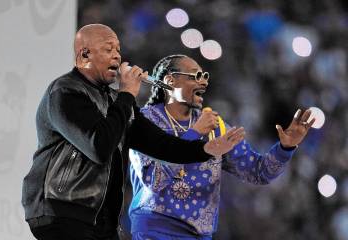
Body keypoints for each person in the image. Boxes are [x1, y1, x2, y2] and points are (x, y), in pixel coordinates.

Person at [21, 25, 244, 240]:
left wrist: (204, 149)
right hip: (62, 210)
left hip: (101, 219)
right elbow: (98, 146)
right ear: (84, 55)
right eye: (108, 49)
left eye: (118, 49)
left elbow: (158, 144)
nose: (117, 56)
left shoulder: (114, 100)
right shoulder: (65, 92)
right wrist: (126, 94)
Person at [128, 54, 315, 240]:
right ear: (170, 80)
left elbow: (258, 172)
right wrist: (194, 133)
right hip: (155, 230)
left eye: (205, 76)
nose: (204, 82)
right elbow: (154, 180)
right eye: (195, 76)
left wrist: (285, 148)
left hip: (200, 235)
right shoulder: (143, 122)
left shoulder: (215, 126)